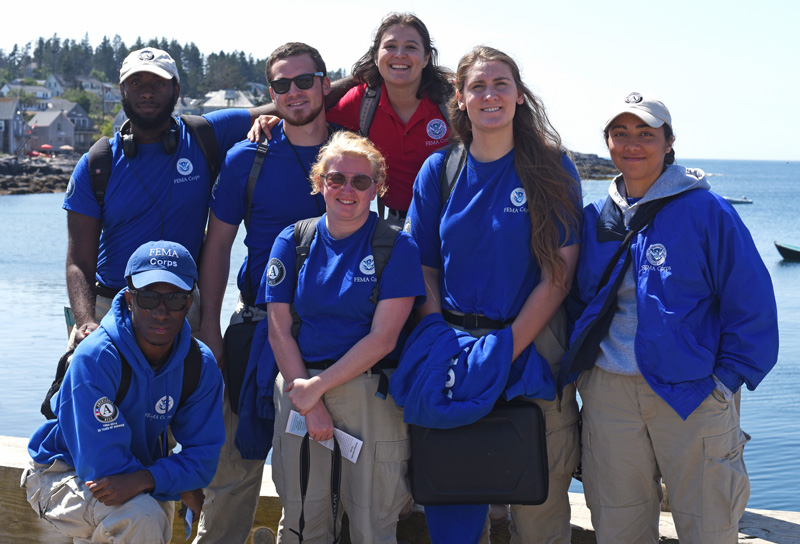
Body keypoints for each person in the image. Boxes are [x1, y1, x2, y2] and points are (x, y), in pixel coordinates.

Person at [559, 93, 779, 543]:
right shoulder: (595, 219)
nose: (631, 144)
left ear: (669, 141)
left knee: (709, 529)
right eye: (620, 134)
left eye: (646, 133)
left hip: (694, 394)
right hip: (609, 397)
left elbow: (752, 304)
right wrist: (584, 379)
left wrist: (725, 382)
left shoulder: (707, 211)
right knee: (618, 530)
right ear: (608, 143)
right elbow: (577, 302)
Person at [402, 46, 582, 544]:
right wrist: (438, 332)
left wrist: (507, 348)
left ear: (519, 96)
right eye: (477, 86)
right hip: (454, 347)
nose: (490, 95)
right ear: (459, 99)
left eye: (501, 83)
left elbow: (558, 274)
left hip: (534, 346)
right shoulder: (439, 171)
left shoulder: (551, 168)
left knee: (538, 509)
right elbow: (424, 264)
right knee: (455, 505)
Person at [194, 42, 332, 544]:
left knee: (311, 479)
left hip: (328, 337)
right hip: (252, 328)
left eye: (303, 81)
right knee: (233, 473)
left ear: (325, 83)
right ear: (269, 94)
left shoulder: (350, 152)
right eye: (281, 85)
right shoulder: (245, 158)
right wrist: (210, 326)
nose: (293, 92)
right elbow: (218, 248)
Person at [261, 131, 425, 543]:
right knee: (303, 520)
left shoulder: (397, 247)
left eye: (361, 181)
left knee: (373, 523)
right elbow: (278, 328)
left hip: (367, 392)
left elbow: (384, 338)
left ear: (378, 188)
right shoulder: (293, 241)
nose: (347, 189)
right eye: (336, 179)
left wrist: (317, 390)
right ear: (320, 183)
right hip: (299, 387)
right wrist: (306, 396)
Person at [64, 47, 273, 348]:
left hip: (184, 307)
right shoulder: (97, 163)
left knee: (208, 395)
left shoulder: (204, 136)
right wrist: (85, 322)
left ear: (176, 89)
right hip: (111, 310)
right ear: (122, 90)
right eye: (136, 84)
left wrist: (365, 80)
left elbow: (295, 103)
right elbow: (78, 261)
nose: (147, 93)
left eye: (158, 83)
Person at [22, 240, 224, 543]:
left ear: (189, 303)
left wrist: (148, 478)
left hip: (133, 477)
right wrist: (177, 483)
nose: (161, 311)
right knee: (144, 516)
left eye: (174, 300)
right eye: (148, 297)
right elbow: (103, 470)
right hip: (61, 473)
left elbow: (205, 458)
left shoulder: (200, 363)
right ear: (129, 298)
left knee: (147, 510)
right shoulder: (96, 358)